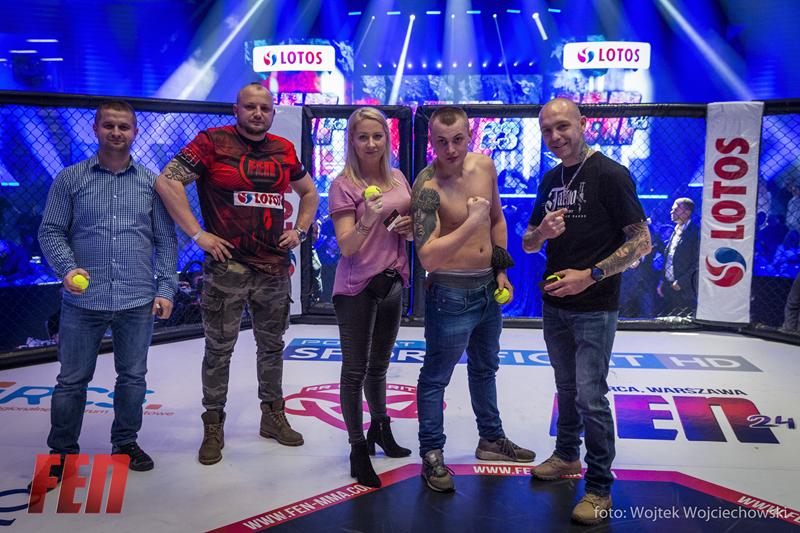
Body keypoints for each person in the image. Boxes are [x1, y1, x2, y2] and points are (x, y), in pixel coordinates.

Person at [154, 82, 319, 465]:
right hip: (227, 266)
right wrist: (198, 234)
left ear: (273, 112)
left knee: (272, 346)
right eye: (250, 107)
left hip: (273, 266)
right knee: (218, 349)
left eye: (265, 107)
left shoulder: (284, 149)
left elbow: (309, 193)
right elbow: (167, 180)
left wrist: (300, 230)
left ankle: (272, 416)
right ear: (236, 109)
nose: (258, 113)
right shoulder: (212, 142)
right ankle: (213, 424)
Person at [36, 100, 178, 487]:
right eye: (109, 125)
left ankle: (125, 443)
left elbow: (166, 240)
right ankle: (61, 454)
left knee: (132, 378)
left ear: (135, 132)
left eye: (124, 127)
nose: (117, 132)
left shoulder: (152, 183)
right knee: (71, 381)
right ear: (95, 129)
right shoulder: (70, 179)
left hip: (136, 299)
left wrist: (166, 288)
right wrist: (67, 269)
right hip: (83, 301)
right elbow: (50, 231)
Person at [522, 98, 651, 525]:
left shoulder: (610, 174)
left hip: (595, 305)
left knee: (590, 397)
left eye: (563, 126)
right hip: (555, 304)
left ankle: (598, 487)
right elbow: (528, 243)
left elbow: (642, 241)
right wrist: (542, 232)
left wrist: (591, 275)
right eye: (547, 130)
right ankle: (566, 456)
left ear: (582, 123)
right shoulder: (551, 179)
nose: (555, 136)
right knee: (566, 389)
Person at [412, 106, 534, 494]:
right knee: (436, 377)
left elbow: (496, 219)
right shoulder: (427, 186)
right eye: (441, 142)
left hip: (487, 289)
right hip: (449, 293)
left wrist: (501, 270)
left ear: (470, 135)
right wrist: (471, 221)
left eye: (457, 140)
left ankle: (491, 439)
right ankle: (432, 454)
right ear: (431, 141)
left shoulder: (484, 166)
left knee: (485, 368)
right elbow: (428, 257)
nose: (450, 149)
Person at [328, 107, 413, 488]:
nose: (371, 143)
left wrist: (410, 229)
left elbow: (409, 227)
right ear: (352, 141)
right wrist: (368, 218)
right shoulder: (343, 185)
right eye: (362, 137)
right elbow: (347, 246)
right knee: (354, 370)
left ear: (386, 138)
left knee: (379, 366)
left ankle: (381, 428)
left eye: (377, 136)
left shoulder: (398, 178)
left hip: (393, 282)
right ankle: (357, 448)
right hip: (356, 288)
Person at [657, 197, 700, 316]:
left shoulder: (695, 233)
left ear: (687, 213)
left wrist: (682, 282)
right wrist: (662, 280)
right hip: (669, 285)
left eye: (676, 209)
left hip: (684, 290)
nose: (672, 212)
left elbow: (698, 262)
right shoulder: (676, 230)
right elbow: (669, 257)